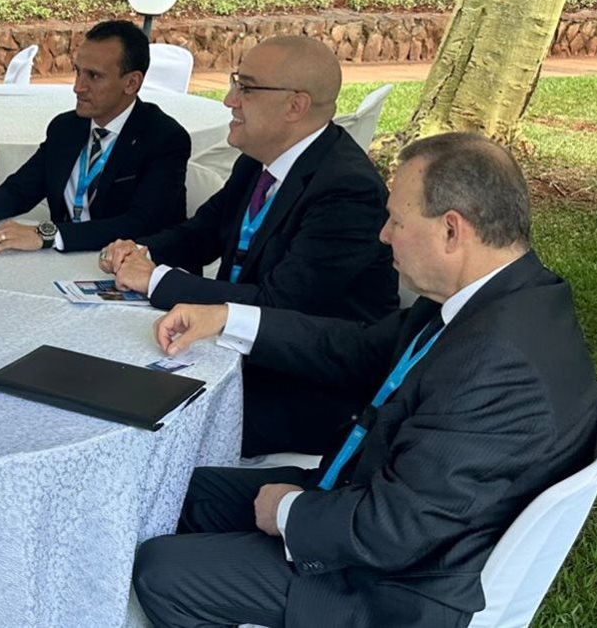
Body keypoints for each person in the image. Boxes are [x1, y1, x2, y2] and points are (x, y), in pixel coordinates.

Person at [132, 133, 597, 628]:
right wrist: (227, 317)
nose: (383, 235)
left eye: (396, 220)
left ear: (451, 230)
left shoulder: (497, 363)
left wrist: (289, 511)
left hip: (392, 586)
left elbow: (397, 528)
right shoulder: (499, 298)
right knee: (177, 490)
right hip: (367, 501)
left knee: (161, 572)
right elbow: (354, 349)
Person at [101, 36, 397, 456]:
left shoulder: (348, 191)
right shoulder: (260, 159)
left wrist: (156, 280)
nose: (229, 100)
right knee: (102, 369)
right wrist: (141, 252)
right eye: (234, 83)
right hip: (234, 356)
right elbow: (202, 232)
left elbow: (279, 304)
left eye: (246, 88)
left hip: (301, 391)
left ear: (295, 106)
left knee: (130, 424)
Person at [0, 20, 190, 254]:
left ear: (131, 83)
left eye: (94, 76)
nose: (78, 87)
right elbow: (21, 189)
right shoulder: (66, 128)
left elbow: (141, 223)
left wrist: (48, 235)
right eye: (78, 72)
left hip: (131, 267)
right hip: (62, 261)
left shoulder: (164, 139)